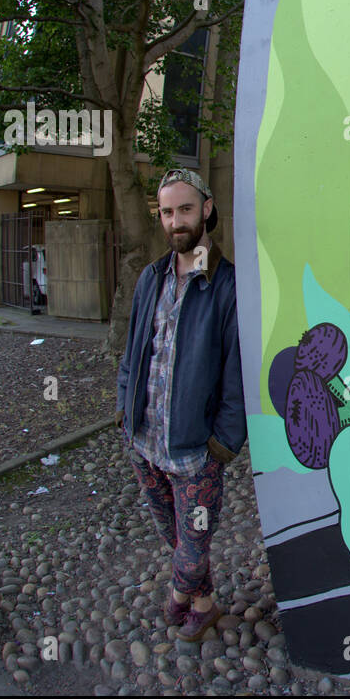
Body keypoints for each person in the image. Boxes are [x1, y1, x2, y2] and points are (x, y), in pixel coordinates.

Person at [116, 168, 246, 643]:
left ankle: (179, 594)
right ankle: (206, 604)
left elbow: (237, 375)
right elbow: (132, 352)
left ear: (206, 209)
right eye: (167, 212)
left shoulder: (227, 285)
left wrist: (224, 443)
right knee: (174, 538)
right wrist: (123, 412)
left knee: (191, 550)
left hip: (195, 451)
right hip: (144, 441)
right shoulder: (150, 277)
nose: (176, 221)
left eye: (185, 209)